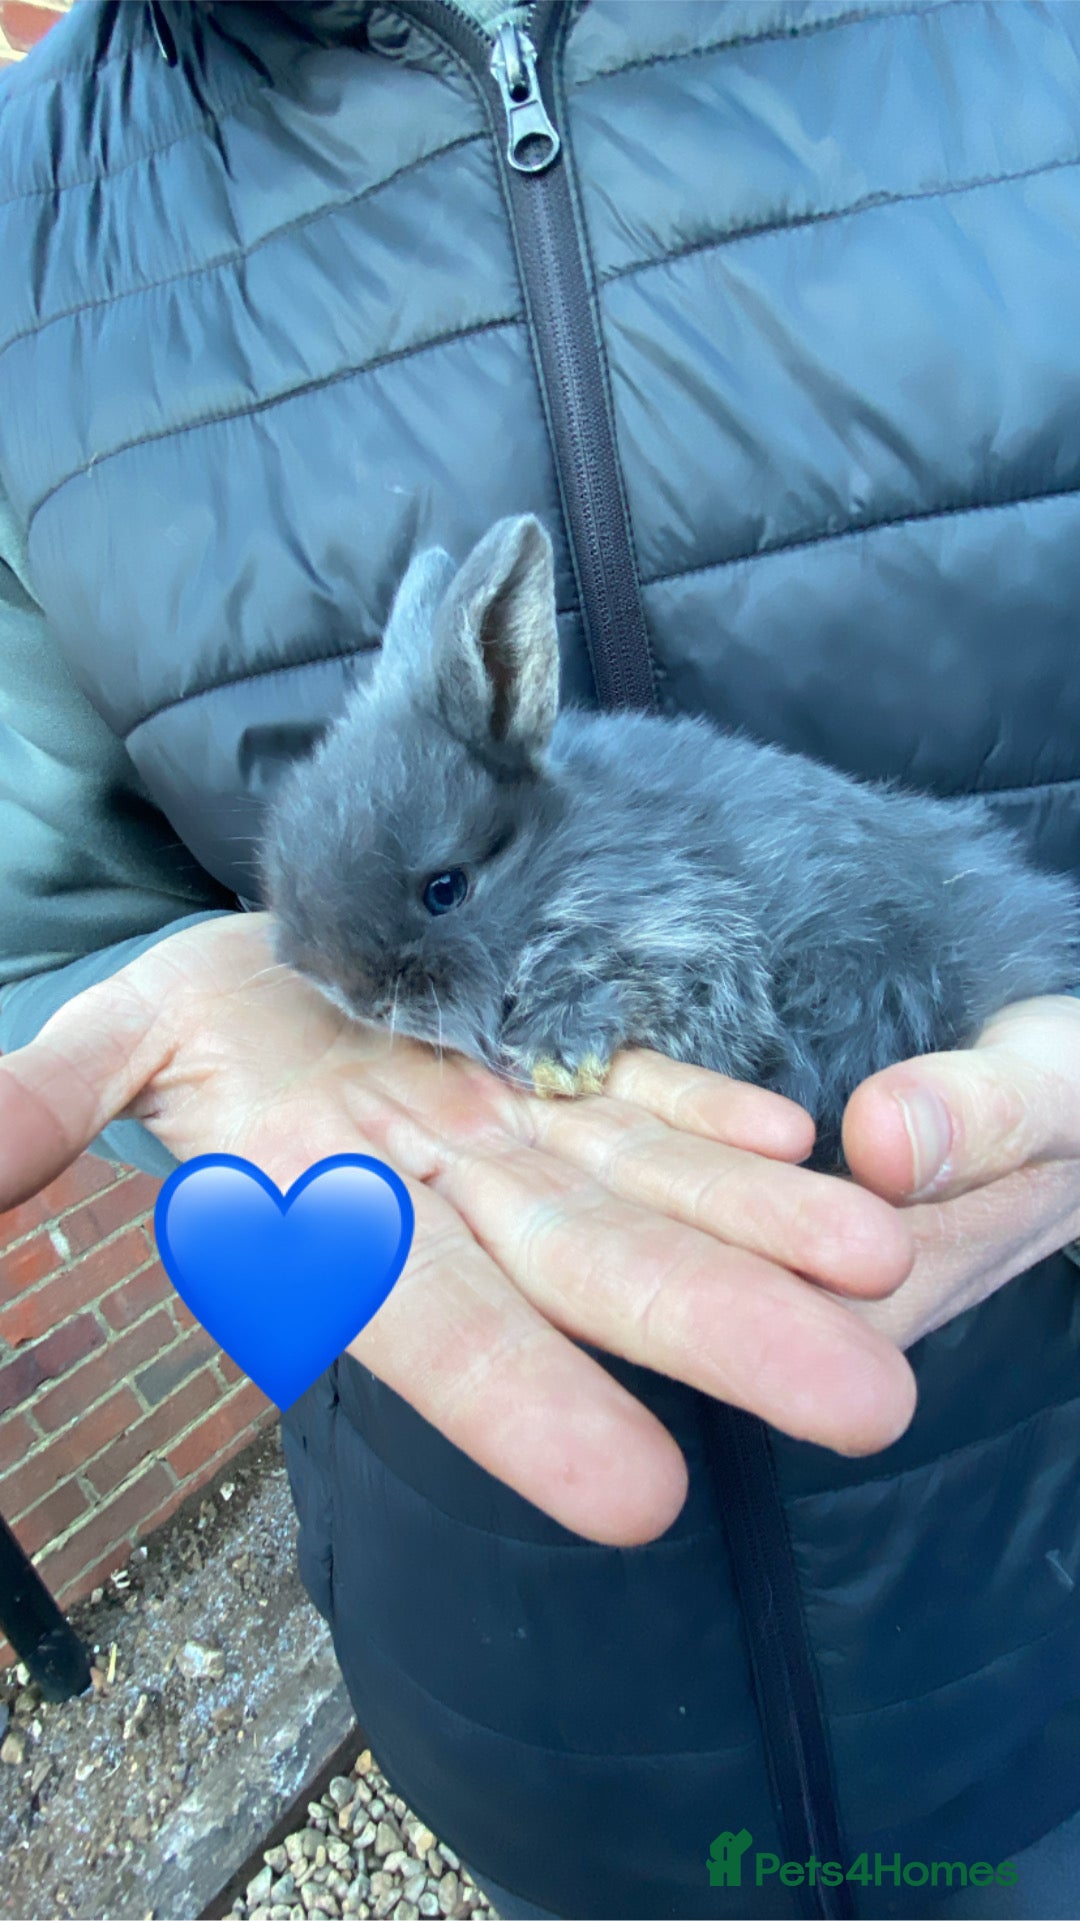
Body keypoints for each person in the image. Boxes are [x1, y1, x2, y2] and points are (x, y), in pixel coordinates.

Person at [2, 2, 1080, 1916]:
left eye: (420, 922)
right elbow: (52, 922)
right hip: (529, 1687)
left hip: (1032, 1605)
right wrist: (181, 1034)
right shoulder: (32, 223)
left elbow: (696, 943)